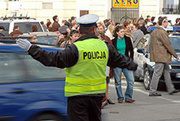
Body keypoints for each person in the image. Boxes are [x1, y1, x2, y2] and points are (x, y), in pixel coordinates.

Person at [16, 14, 137, 121]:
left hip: (77, 98)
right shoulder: (104, 46)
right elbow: (120, 59)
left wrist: (31, 48)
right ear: (94, 29)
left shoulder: (75, 48)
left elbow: (53, 59)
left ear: (79, 31)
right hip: (97, 96)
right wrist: (133, 65)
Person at [149, 17, 179, 96]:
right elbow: (168, 45)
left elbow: (150, 45)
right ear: (163, 22)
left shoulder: (154, 31)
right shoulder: (162, 32)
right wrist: (176, 55)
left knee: (166, 72)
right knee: (157, 73)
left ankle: (170, 88)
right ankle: (152, 90)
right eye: (166, 22)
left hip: (159, 56)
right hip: (161, 56)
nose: (168, 24)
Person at [112, 25, 135, 103]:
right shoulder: (113, 41)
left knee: (131, 80)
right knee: (118, 82)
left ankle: (128, 96)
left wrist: (131, 60)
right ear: (117, 33)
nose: (123, 33)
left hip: (126, 62)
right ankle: (120, 97)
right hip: (117, 63)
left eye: (123, 32)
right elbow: (112, 53)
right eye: (121, 32)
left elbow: (131, 51)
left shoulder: (127, 39)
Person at [97, 22, 115, 108]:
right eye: (99, 28)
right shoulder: (94, 38)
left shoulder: (107, 38)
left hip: (106, 63)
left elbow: (111, 49)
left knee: (106, 81)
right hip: (97, 63)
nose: (100, 30)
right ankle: (101, 98)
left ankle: (106, 97)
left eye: (101, 28)